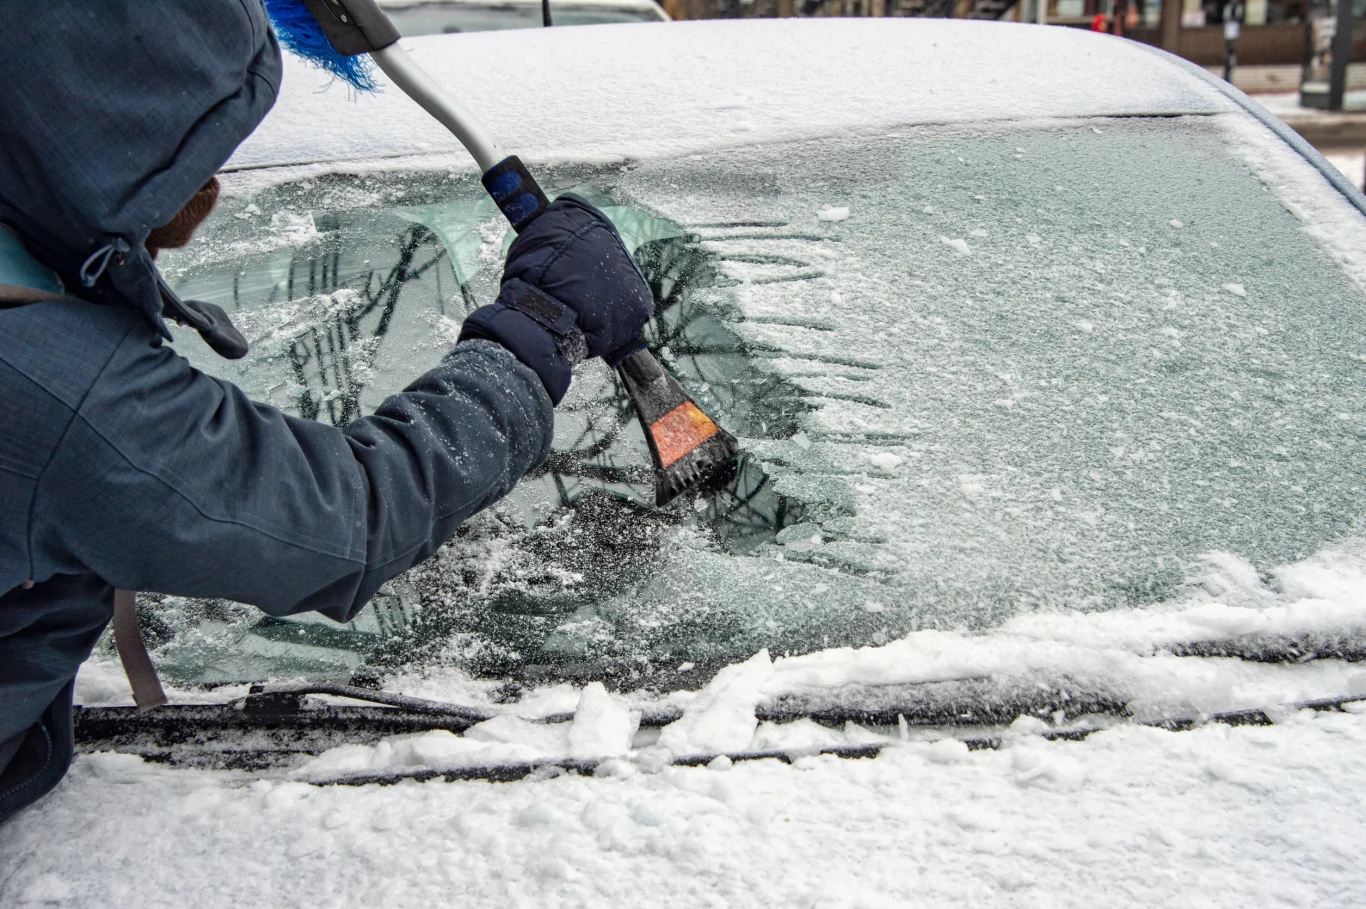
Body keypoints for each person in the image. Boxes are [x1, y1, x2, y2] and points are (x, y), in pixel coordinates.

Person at [0, 1, 652, 824]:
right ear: (105, 144)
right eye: (187, 154)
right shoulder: (52, 384)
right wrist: (537, 333)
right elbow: (351, 516)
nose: (210, 186)